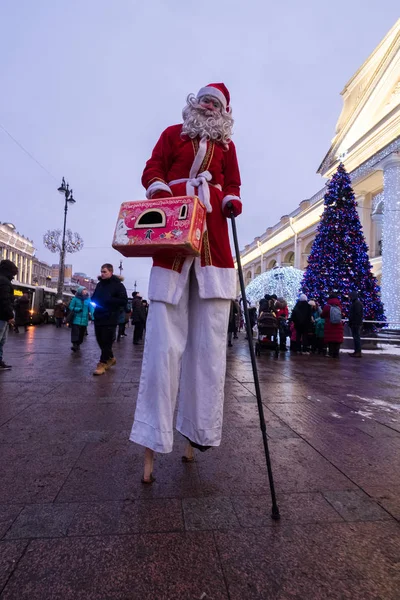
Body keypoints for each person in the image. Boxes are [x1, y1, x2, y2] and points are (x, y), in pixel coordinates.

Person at [129, 82, 242, 483]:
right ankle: (152, 437)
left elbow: (233, 184)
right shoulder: (171, 135)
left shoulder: (227, 149)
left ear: (224, 112)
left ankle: (198, 431)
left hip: (214, 248)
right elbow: (152, 168)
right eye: (206, 100)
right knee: (162, 345)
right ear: (195, 104)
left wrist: (229, 199)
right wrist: (162, 188)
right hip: (173, 239)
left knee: (209, 347)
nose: (210, 106)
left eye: (217, 104)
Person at [91, 264, 128, 376]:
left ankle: (102, 364)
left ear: (111, 272)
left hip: (111, 317)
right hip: (99, 316)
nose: (102, 273)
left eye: (105, 272)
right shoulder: (99, 285)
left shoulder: (118, 285)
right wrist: (94, 300)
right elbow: (94, 297)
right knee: (100, 340)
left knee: (107, 341)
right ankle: (111, 358)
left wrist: (109, 300)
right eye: (101, 271)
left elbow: (123, 300)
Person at [0, 260, 18, 370]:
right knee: (1, 340)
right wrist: (10, 316)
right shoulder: (4, 282)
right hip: (2, 316)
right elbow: (4, 301)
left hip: (3, 315)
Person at [68, 286, 94, 352]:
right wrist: (77, 309)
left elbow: (91, 308)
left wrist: (93, 317)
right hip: (76, 319)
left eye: (86, 290)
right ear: (80, 291)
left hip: (84, 320)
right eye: (84, 290)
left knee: (81, 334)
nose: (85, 291)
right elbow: (71, 306)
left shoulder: (88, 299)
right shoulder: (75, 299)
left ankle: (78, 344)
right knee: (75, 332)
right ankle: (74, 345)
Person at [321, 293, 344, 358]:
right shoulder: (339, 306)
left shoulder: (327, 306)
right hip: (338, 325)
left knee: (331, 340)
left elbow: (323, 315)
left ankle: (331, 353)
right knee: (337, 340)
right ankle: (336, 354)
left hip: (329, 325)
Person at [348, 291, 364, 358]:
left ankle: (358, 352)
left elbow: (356, 314)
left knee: (356, 337)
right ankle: (357, 351)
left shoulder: (356, 304)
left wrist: (353, 322)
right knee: (356, 337)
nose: (349, 298)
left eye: (349, 296)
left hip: (356, 324)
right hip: (356, 323)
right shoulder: (356, 303)